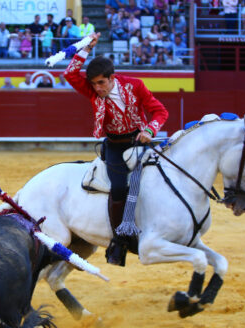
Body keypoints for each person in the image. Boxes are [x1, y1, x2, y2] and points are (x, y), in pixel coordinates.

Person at [63, 33, 168, 266]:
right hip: (115, 147)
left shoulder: (135, 85)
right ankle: (120, 240)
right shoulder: (92, 91)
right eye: (93, 84)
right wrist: (86, 50)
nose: (97, 88)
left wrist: (150, 130)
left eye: (101, 82)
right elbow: (70, 73)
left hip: (140, 142)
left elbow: (160, 111)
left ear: (112, 78)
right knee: (119, 187)